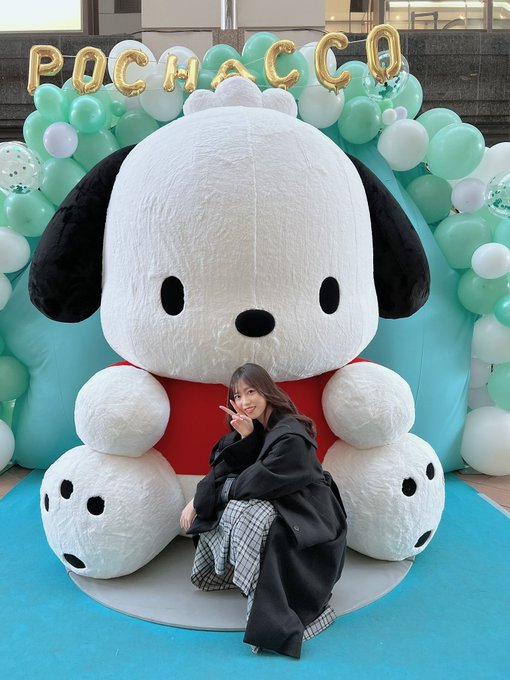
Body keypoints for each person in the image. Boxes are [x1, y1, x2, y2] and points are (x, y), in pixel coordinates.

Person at [179, 363, 347, 659]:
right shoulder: (258, 428)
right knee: (236, 508)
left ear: (266, 391)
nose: (244, 402)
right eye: (237, 396)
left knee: (253, 517)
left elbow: (254, 482)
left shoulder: (291, 435)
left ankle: (271, 606)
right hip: (288, 502)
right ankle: (241, 578)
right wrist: (246, 439)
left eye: (251, 392)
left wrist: (212, 494)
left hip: (311, 514)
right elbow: (225, 468)